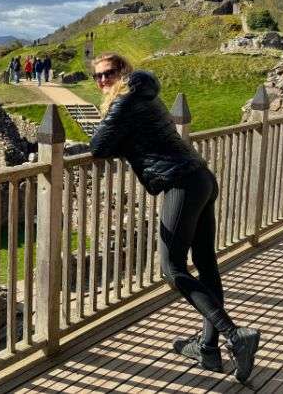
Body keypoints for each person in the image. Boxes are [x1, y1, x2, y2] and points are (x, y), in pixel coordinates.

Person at [89, 52, 260, 382]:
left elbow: (98, 147)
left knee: (171, 268)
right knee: (206, 264)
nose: (102, 81)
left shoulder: (124, 100)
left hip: (182, 184)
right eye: (97, 76)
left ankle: (235, 336)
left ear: (123, 71)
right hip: (201, 179)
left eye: (108, 73)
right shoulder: (144, 94)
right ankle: (208, 348)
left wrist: (117, 141)